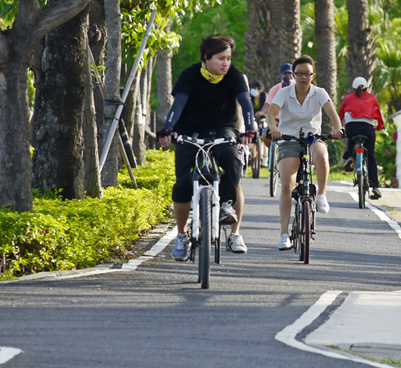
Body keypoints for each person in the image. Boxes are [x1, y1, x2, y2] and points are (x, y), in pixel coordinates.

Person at [157, 35, 255, 259]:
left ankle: (230, 221)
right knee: (182, 184)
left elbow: (246, 102)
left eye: (229, 58)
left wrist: (249, 129)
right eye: (221, 58)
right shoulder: (190, 75)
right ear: (206, 57)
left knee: (231, 161)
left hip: (223, 129)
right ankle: (182, 236)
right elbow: (178, 103)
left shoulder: (235, 76)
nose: (226, 63)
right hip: (189, 132)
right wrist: (168, 128)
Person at [266, 55, 343, 250]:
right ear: (293, 75)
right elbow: (271, 112)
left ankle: (321, 195)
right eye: (299, 73)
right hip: (289, 139)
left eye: (307, 74)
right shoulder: (284, 93)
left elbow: (333, 114)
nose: (303, 77)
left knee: (323, 157)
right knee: (286, 186)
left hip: (312, 138)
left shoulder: (319, 92)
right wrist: (274, 129)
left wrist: (337, 129)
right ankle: (284, 234)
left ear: (312, 75)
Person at [338, 76, 385, 199]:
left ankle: (350, 156)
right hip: (368, 129)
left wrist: (339, 128)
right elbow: (379, 115)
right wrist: (380, 126)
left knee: (350, 139)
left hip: (352, 128)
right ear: (367, 88)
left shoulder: (348, 98)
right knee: (371, 158)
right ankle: (375, 187)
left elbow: (340, 114)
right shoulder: (372, 98)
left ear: (353, 88)